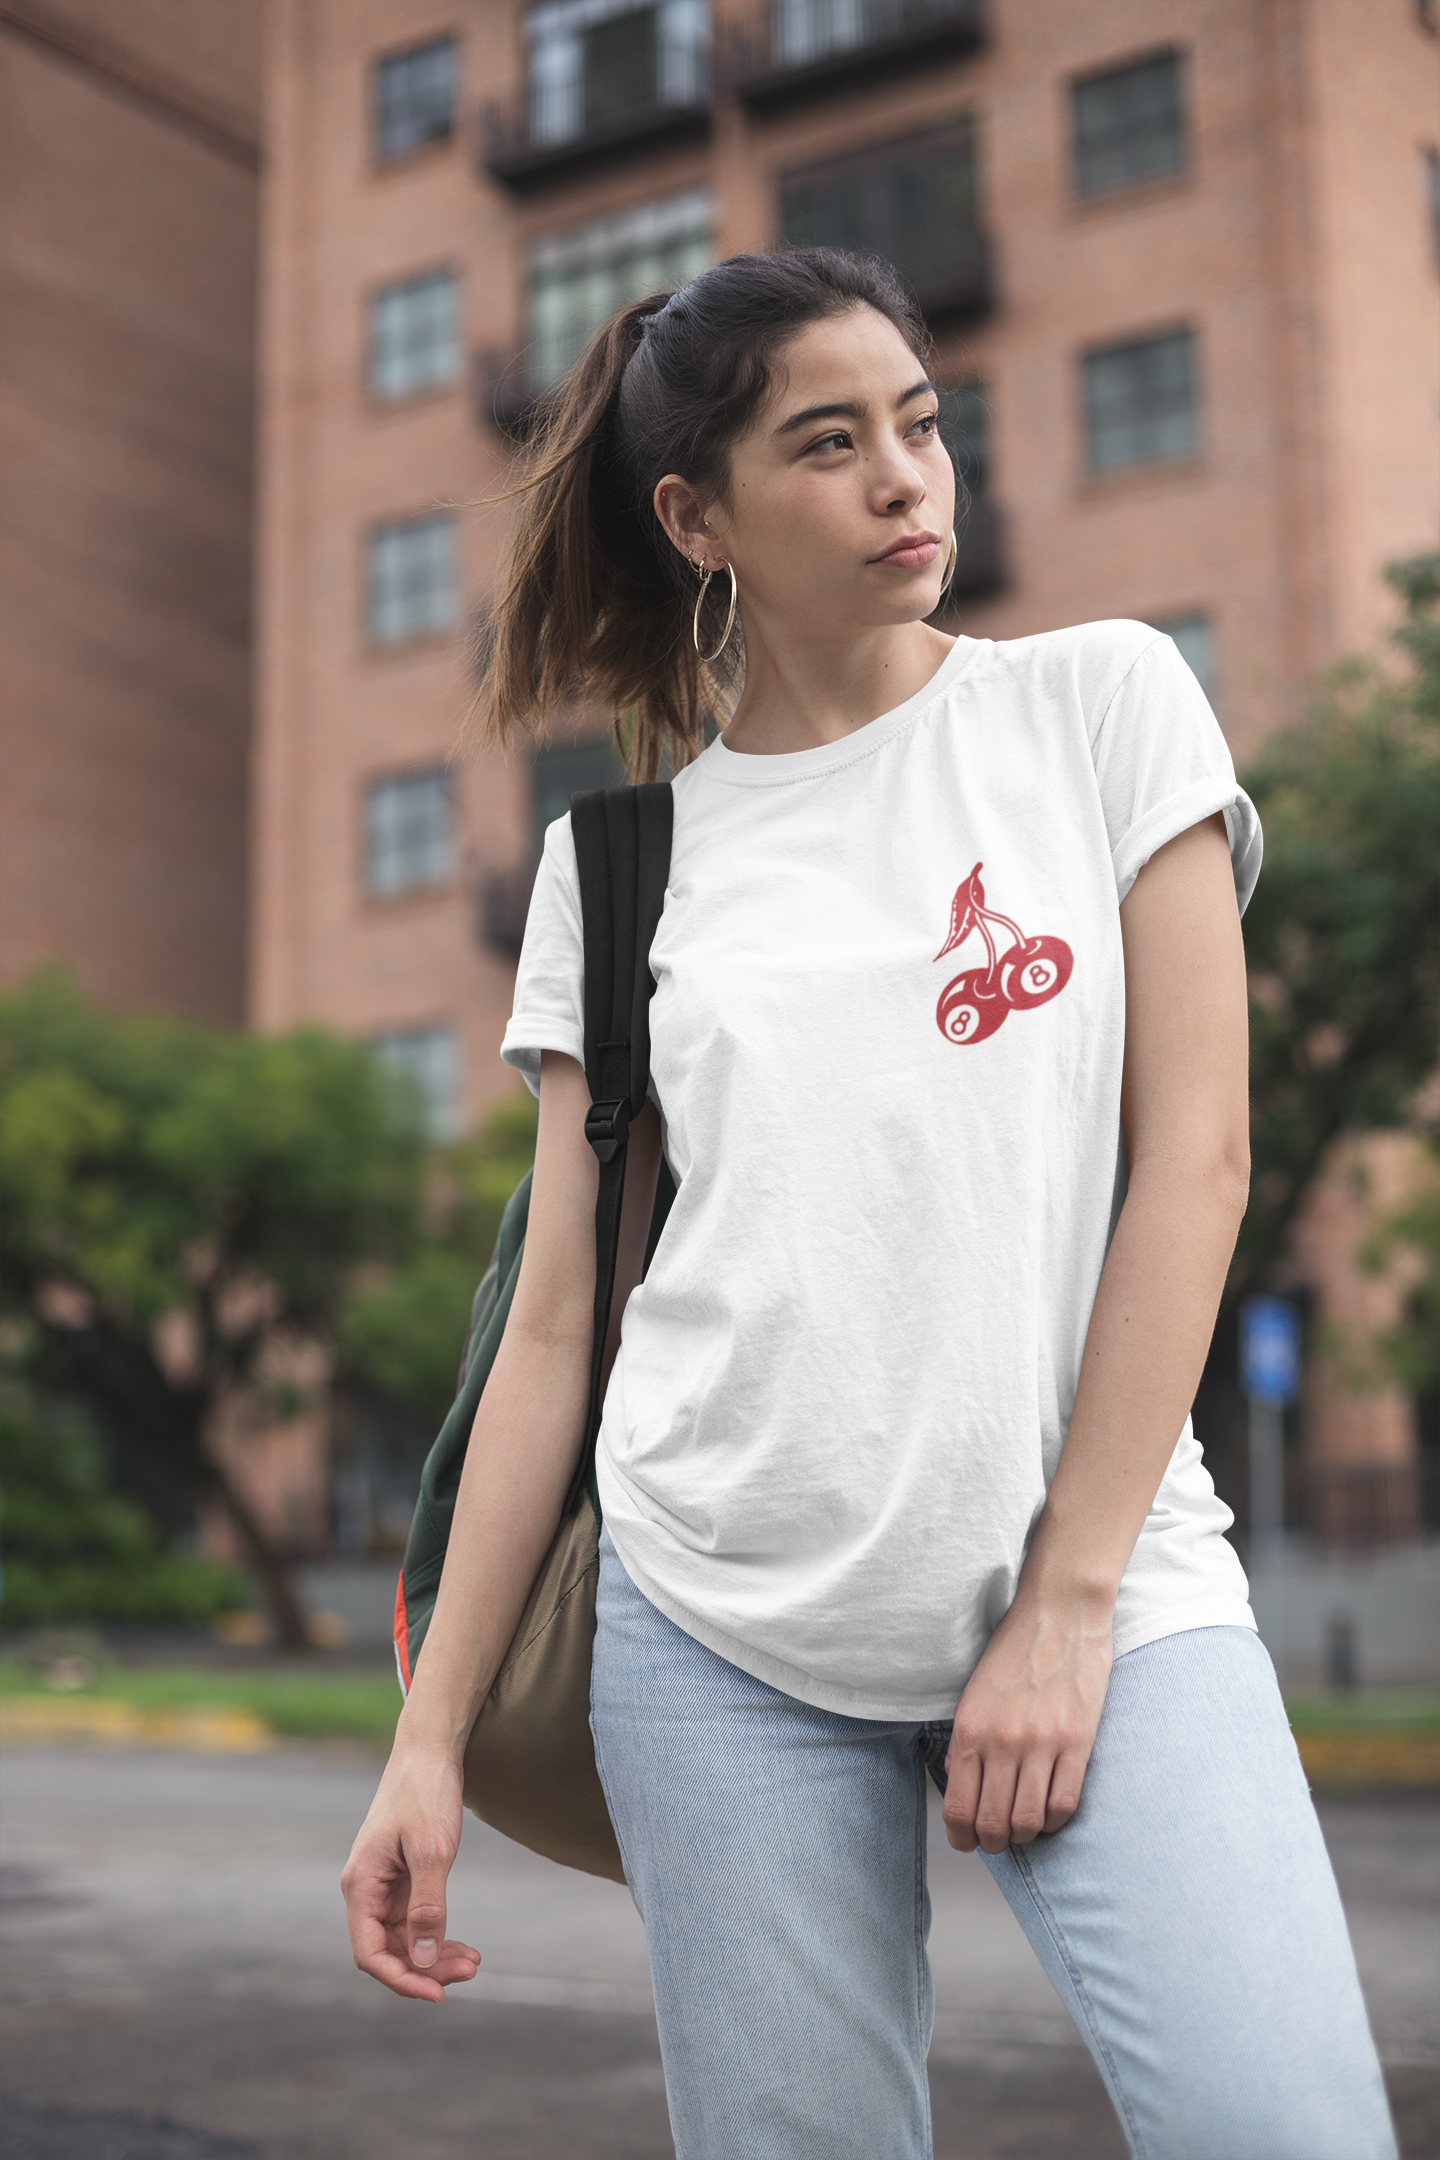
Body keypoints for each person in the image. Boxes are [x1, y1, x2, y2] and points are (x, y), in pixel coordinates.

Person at [342, 249, 1395, 2160]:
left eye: (920, 422)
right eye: (829, 445)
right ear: (698, 515)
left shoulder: (1101, 706)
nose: (911, 477)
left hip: (1111, 1589)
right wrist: (427, 1742)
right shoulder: (622, 862)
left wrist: (1068, 1610)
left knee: (1285, 2124)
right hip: (717, 1632)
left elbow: (1201, 1160)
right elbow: (563, 1329)